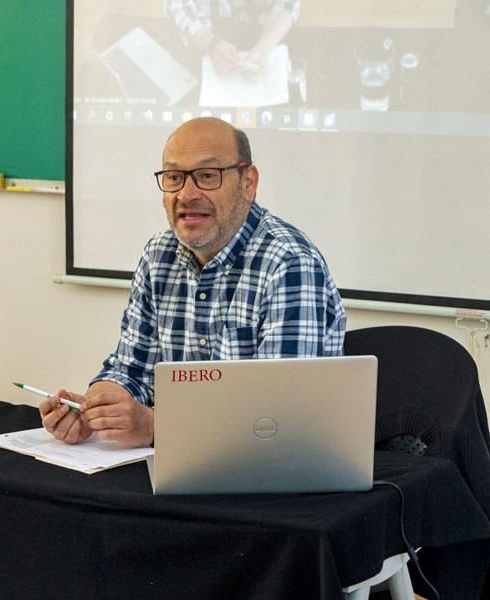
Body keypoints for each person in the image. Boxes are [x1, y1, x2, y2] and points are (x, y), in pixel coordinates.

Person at [40, 117, 345, 447]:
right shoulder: (160, 255)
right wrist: (95, 407)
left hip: (266, 483)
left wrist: (156, 426)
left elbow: (280, 421)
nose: (186, 194)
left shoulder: (288, 263)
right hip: (179, 469)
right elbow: (132, 368)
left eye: (207, 176)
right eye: (174, 177)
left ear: (248, 182)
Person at [166, 0, 299, 75]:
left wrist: (265, 46)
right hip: (204, 34)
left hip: (269, 29)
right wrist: (211, 44)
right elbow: (179, 5)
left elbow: (287, 3)